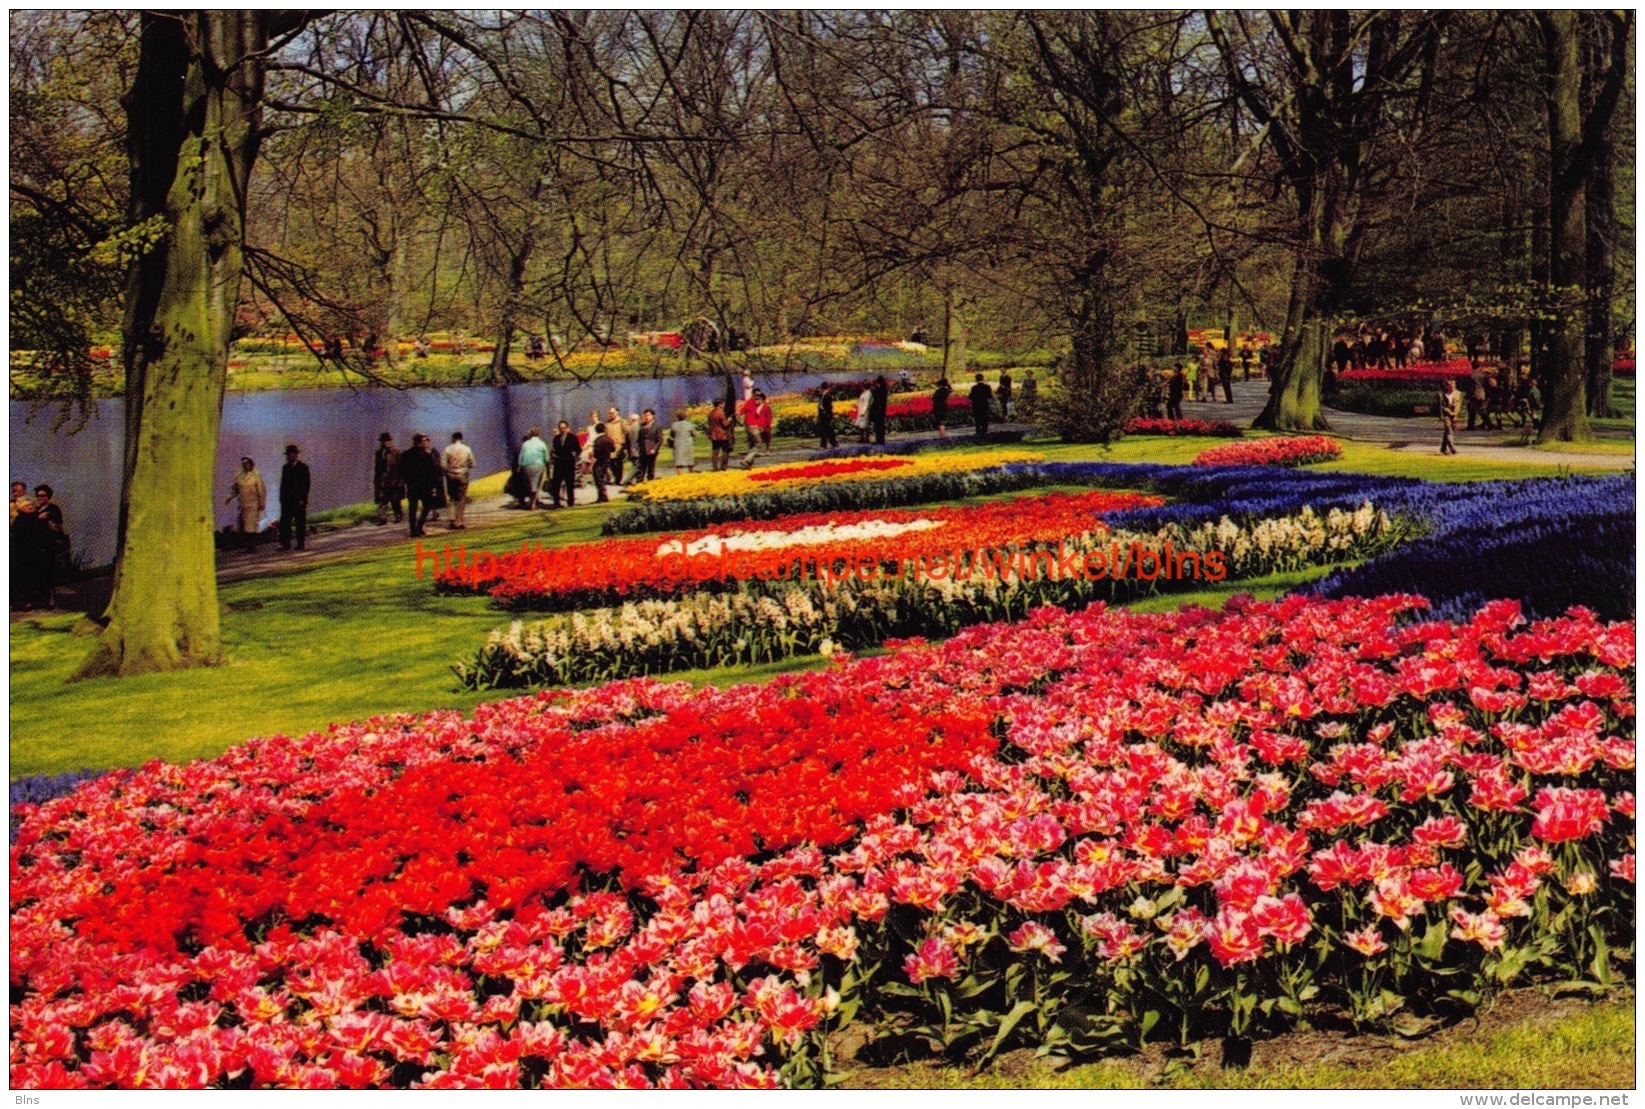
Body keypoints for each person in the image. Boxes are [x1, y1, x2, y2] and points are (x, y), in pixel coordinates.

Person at [400, 434, 440, 536]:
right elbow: (431, 472)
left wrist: (406, 481)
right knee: (427, 506)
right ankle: (420, 525)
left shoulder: (405, 455)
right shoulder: (426, 456)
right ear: (420, 443)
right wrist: (433, 486)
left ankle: (413, 530)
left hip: (412, 486)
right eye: (423, 442)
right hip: (424, 486)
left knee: (412, 509)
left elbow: (401, 470)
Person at [225, 457, 267, 550]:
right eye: (243, 464)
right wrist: (229, 498)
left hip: (253, 504)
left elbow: (261, 490)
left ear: (251, 464)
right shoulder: (239, 476)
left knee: (251, 525)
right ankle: (247, 545)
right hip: (243, 504)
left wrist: (262, 503)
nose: (245, 465)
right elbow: (234, 489)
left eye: (247, 463)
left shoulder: (256, 476)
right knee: (243, 525)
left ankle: (252, 545)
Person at [278, 445, 310, 551]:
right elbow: (283, 485)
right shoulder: (285, 468)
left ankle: (300, 543)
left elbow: (306, 485)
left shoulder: (303, 468)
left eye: (289, 454)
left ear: (295, 455)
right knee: (285, 522)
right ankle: (286, 544)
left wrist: (303, 499)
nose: (287, 457)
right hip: (287, 501)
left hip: (298, 501)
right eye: (287, 455)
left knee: (300, 522)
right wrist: (281, 498)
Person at [441, 431, 475, 529]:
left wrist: (449, 470)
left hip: (451, 475)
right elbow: (472, 463)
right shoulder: (467, 449)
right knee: (461, 499)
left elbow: (443, 464)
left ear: (453, 438)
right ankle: (459, 521)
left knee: (452, 498)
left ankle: (452, 520)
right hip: (462, 475)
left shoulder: (447, 449)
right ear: (461, 438)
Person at [374, 433, 404, 525]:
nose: (385, 443)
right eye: (383, 441)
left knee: (395, 501)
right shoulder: (379, 453)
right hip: (383, 481)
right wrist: (377, 481)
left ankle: (398, 515)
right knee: (383, 501)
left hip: (394, 480)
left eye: (387, 441)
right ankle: (382, 519)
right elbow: (377, 469)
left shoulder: (396, 452)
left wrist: (400, 481)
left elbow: (401, 467)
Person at [516, 426, 549, 510]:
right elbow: (546, 456)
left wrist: (520, 466)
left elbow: (521, 456)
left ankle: (531, 502)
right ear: (538, 434)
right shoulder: (541, 443)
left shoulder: (525, 444)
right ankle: (533, 503)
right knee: (536, 484)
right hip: (538, 465)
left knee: (530, 485)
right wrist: (547, 463)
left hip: (526, 465)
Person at [549, 421, 580, 507]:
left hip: (569, 463)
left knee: (569, 484)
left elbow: (578, 449)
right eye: (561, 428)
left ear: (567, 428)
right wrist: (553, 455)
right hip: (559, 464)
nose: (562, 430)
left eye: (564, 428)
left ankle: (570, 502)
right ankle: (556, 503)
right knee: (556, 484)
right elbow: (554, 450)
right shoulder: (556, 438)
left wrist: (575, 454)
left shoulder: (572, 437)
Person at [742, 390, 773, 467]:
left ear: (762, 400)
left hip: (760, 428)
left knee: (755, 444)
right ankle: (747, 461)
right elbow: (745, 409)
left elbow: (768, 419)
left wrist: (765, 428)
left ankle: (748, 463)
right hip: (752, 428)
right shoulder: (753, 406)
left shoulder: (765, 408)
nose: (756, 400)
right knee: (756, 444)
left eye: (758, 399)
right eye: (756, 399)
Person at [635, 409, 664, 483]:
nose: (646, 417)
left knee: (650, 471)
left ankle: (650, 485)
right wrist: (636, 448)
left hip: (651, 451)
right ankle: (639, 485)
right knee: (641, 470)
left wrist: (654, 449)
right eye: (645, 415)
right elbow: (639, 439)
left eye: (648, 415)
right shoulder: (642, 426)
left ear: (652, 416)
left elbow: (659, 440)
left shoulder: (657, 426)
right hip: (642, 451)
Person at [591, 422, 616, 502]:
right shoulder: (609, 439)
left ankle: (602, 496)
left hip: (599, 461)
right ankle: (602, 496)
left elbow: (595, 453)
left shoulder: (597, 440)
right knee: (602, 478)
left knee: (598, 479)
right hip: (607, 460)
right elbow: (613, 449)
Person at [708, 399, 735, 471]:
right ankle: (723, 466)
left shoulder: (711, 413)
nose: (723, 405)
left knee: (715, 451)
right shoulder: (720, 413)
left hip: (713, 434)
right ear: (719, 404)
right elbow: (725, 424)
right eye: (722, 404)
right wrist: (729, 420)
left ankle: (715, 467)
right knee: (725, 450)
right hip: (721, 434)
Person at [1438, 379, 1462, 455]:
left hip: (1454, 414)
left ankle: (1443, 448)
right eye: (1450, 386)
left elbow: (1458, 405)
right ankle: (1452, 448)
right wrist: (1446, 411)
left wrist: (1455, 415)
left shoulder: (1458, 393)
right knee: (1448, 430)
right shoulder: (1443, 394)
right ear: (1447, 386)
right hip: (1446, 415)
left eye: (1453, 386)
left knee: (1447, 432)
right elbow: (1441, 406)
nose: (1452, 387)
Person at [605, 407, 628, 485]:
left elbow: (626, 433)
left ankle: (618, 479)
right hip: (610, 446)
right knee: (611, 462)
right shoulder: (608, 423)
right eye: (610, 413)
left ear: (617, 413)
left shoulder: (622, 422)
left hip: (619, 445)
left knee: (618, 462)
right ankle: (615, 477)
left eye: (612, 413)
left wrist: (621, 441)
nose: (611, 415)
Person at [869, 376, 889, 445]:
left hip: (878, 410)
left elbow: (878, 399)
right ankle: (880, 439)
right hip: (880, 410)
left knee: (878, 426)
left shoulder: (881, 390)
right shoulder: (883, 389)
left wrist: (873, 391)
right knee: (879, 425)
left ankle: (879, 440)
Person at [816, 385, 838, 449]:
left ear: (823, 388)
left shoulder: (828, 395)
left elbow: (829, 406)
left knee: (825, 430)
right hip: (822, 415)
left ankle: (824, 445)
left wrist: (827, 413)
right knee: (827, 430)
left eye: (821, 388)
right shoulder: (822, 395)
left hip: (826, 415)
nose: (819, 389)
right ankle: (833, 443)